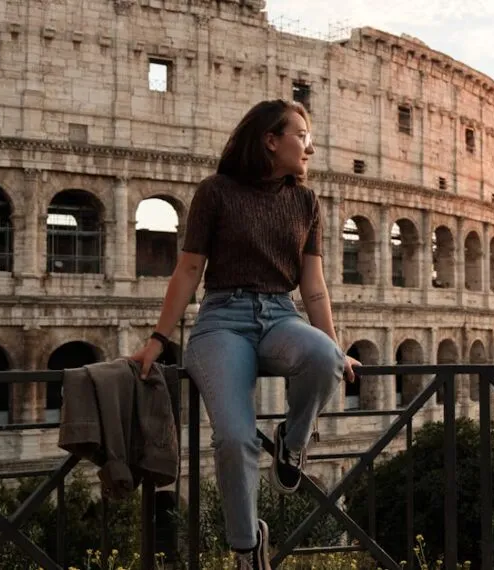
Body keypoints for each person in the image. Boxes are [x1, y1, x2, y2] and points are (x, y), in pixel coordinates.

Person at [131, 99, 359, 569]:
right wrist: (158, 338)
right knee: (234, 438)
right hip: (222, 320)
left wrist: (336, 345)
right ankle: (247, 548)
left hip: (280, 315)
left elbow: (313, 285)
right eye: (302, 136)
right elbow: (189, 269)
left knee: (325, 359)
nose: (310, 147)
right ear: (270, 141)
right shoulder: (215, 191)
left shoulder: (306, 202)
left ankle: (292, 443)